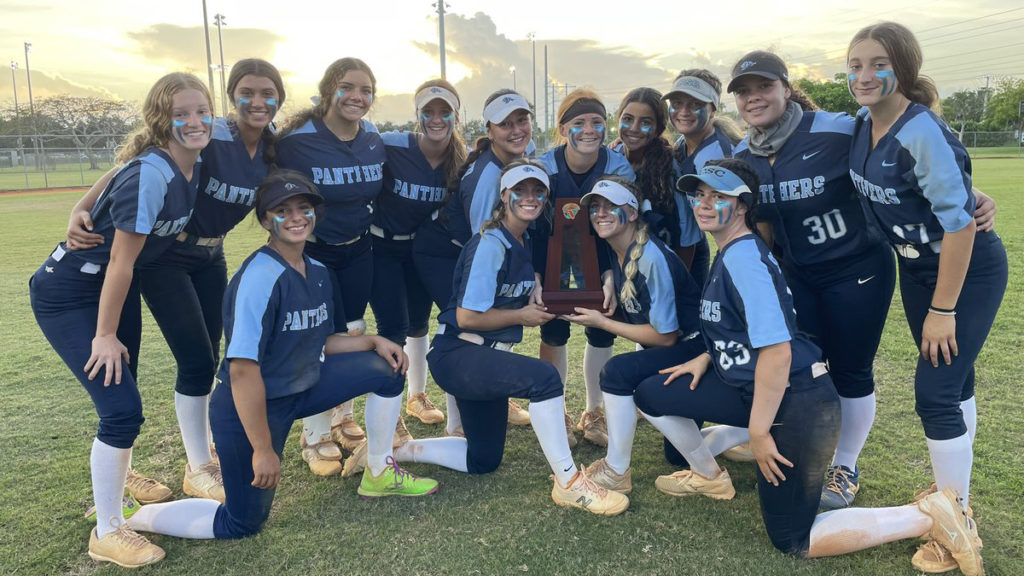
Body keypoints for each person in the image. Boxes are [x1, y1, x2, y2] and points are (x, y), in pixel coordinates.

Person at [632, 159, 983, 576]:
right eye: (700, 195)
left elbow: (778, 352)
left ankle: (930, 514)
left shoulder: (743, 258)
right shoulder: (731, 250)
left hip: (798, 402)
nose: (704, 205)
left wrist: (761, 433)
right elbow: (741, 325)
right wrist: (707, 354)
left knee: (793, 538)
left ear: (743, 206)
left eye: (719, 196)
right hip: (758, 389)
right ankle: (714, 465)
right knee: (652, 391)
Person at [122, 172, 438, 549]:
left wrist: (373, 341)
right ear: (263, 220)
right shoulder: (260, 276)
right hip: (252, 405)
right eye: (282, 210)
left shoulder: (318, 271)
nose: (296, 217)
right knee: (241, 522)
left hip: (303, 386)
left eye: (304, 208)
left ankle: (380, 470)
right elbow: (242, 371)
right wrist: (263, 450)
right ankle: (130, 517)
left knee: (388, 369)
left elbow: (320, 339)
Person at [66, 58, 286, 502]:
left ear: (279, 98)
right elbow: (136, 163)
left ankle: (201, 455)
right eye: (248, 92)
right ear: (231, 97)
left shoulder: (272, 149)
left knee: (208, 360)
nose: (258, 102)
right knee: (196, 361)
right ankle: (199, 465)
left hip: (212, 254)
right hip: (166, 256)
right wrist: (80, 205)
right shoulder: (211, 130)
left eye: (268, 93)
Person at [30, 72, 212, 568]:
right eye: (182, 113)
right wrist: (105, 335)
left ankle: (121, 476)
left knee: (122, 390)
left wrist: (80, 204)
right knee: (121, 408)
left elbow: (115, 172)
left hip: (109, 288)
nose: (195, 121)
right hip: (71, 293)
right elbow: (120, 262)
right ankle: (107, 530)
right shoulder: (154, 173)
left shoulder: (180, 160)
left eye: (202, 110)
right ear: (161, 119)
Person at [847, 22, 1006, 573]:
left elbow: (960, 229)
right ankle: (954, 498)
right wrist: (972, 191)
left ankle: (954, 523)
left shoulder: (921, 128)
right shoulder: (859, 127)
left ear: (904, 70)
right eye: (856, 64)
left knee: (935, 391)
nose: (864, 75)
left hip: (965, 272)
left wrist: (944, 309)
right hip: (917, 272)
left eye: (878, 63)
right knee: (956, 383)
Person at [425, 159, 628, 515]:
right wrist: (522, 315)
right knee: (545, 377)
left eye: (538, 191)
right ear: (504, 195)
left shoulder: (524, 238)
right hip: (459, 354)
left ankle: (395, 451)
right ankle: (568, 483)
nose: (529, 197)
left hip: (483, 360)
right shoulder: (491, 242)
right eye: (520, 190)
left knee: (483, 458)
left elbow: (554, 280)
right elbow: (466, 316)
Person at [559, 177, 704, 494]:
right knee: (675, 455)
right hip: (677, 348)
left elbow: (665, 338)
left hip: (695, 351)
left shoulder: (651, 257)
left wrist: (603, 323)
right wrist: (608, 282)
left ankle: (616, 469)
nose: (601, 213)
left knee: (618, 372)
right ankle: (735, 437)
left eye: (611, 206)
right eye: (596, 207)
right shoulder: (618, 248)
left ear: (634, 212)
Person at [276, 57, 385, 474]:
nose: (357, 96)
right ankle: (315, 432)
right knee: (317, 335)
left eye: (365, 90)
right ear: (328, 90)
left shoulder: (373, 137)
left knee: (353, 330)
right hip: (313, 251)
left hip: (358, 248)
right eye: (347, 87)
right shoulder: (296, 141)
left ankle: (344, 415)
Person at [412, 89, 536, 433]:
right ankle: (458, 422)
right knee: (467, 326)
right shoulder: (488, 177)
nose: (515, 130)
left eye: (521, 120)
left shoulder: (522, 156)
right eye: (505, 124)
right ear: (490, 129)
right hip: (441, 252)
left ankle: (494, 394)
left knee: (493, 322)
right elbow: (486, 245)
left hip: (462, 248)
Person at [535, 89, 635, 448]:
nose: (589, 129)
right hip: (551, 252)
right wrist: (535, 275)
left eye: (596, 121)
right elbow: (533, 225)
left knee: (602, 330)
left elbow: (621, 226)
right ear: (563, 129)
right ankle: (554, 408)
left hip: (602, 253)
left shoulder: (617, 166)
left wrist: (611, 274)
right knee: (554, 330)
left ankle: (594, 411)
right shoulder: (545, 167)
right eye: (579, 123)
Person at [370, 79, 467, 429]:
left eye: (445, 112)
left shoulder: (461, 160)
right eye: (429, 112)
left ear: (457, 115)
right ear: (418, 115)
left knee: (421, 324)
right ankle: (390, 416)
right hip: (382, 245)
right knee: (392, 328)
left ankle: (416, 396)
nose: (437, 119)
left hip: (424, 249)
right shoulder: (392, 145)